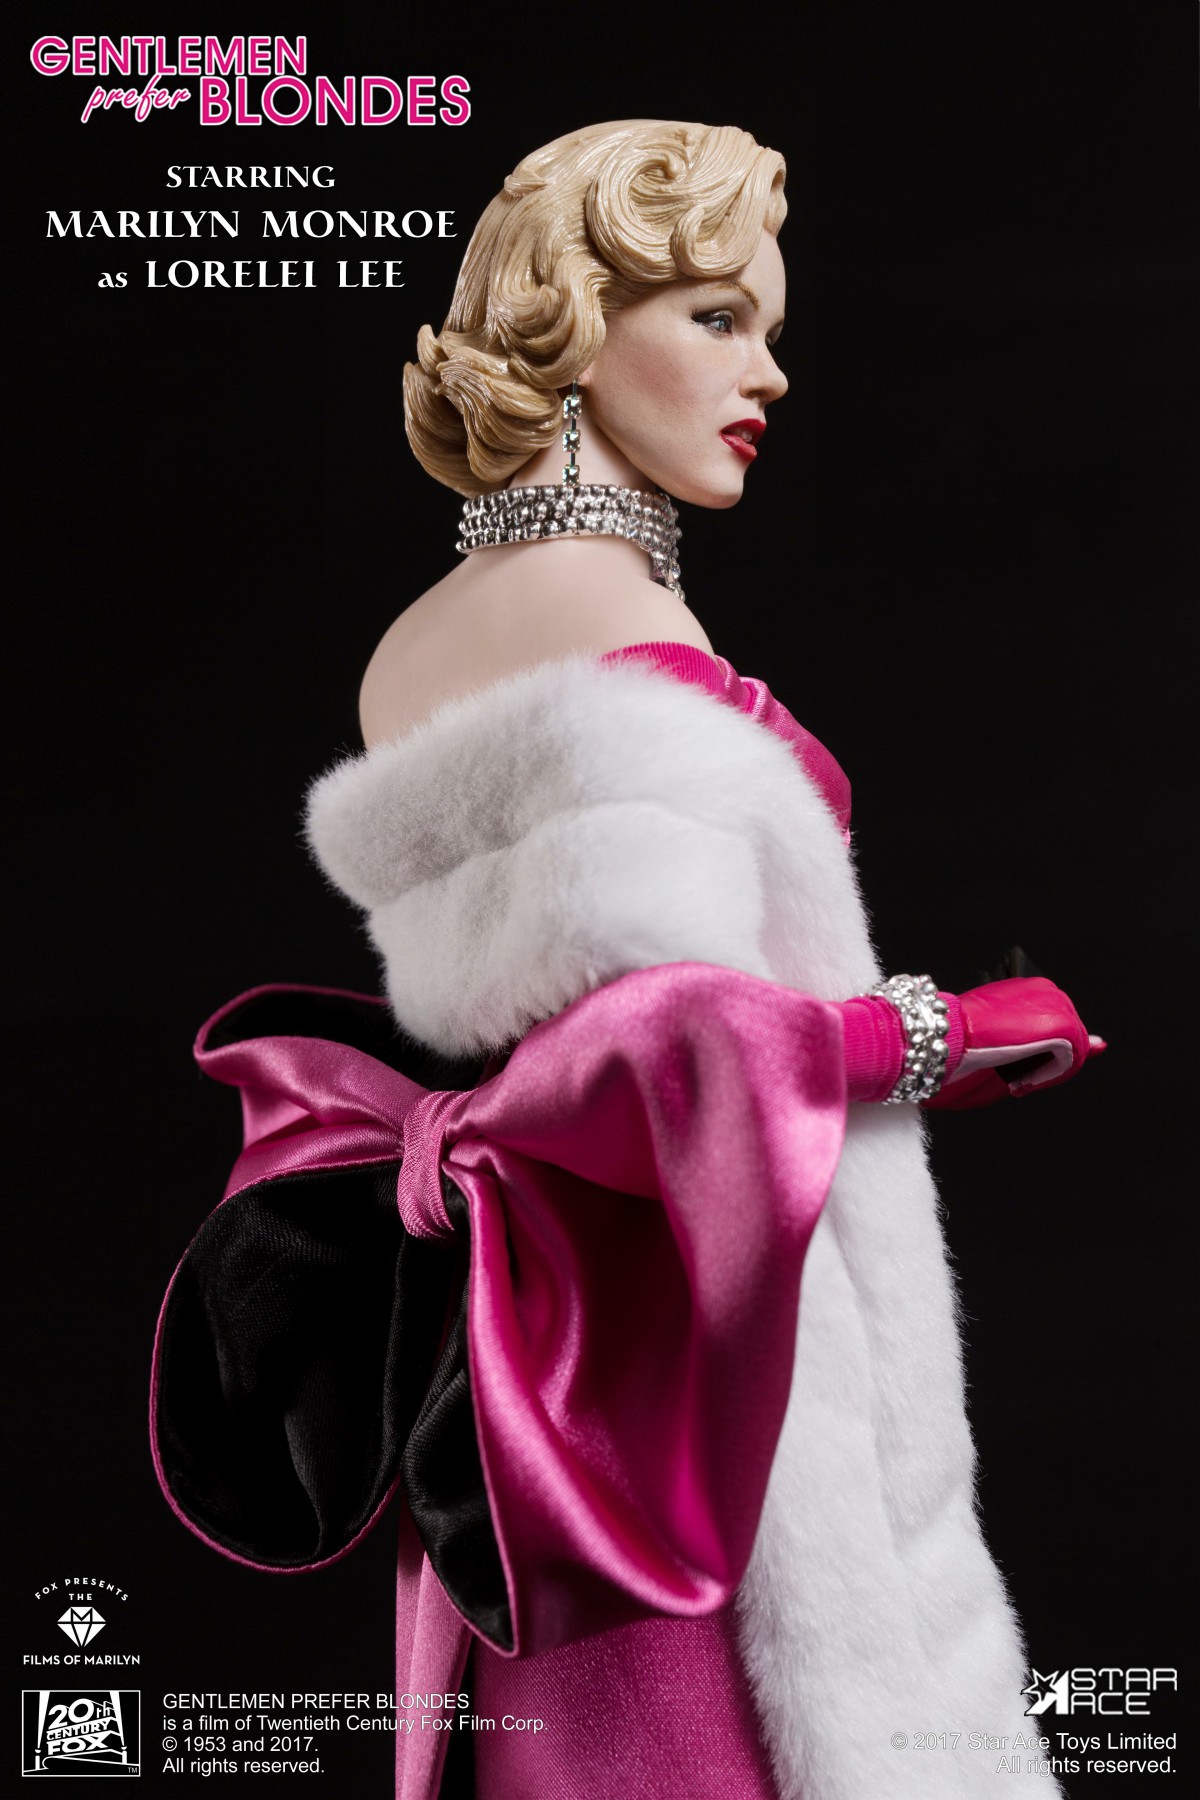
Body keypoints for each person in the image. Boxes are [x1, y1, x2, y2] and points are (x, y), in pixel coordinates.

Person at [153, 121, 1100, 1799]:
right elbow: (668, 1040)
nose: (769, 372)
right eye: (719, 318)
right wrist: (929, 1038)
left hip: (541, 1366)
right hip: (692, 1383)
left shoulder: (418, 643)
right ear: (576, 322)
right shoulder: (622, 617)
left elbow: (556, 1033)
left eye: (768, 328)